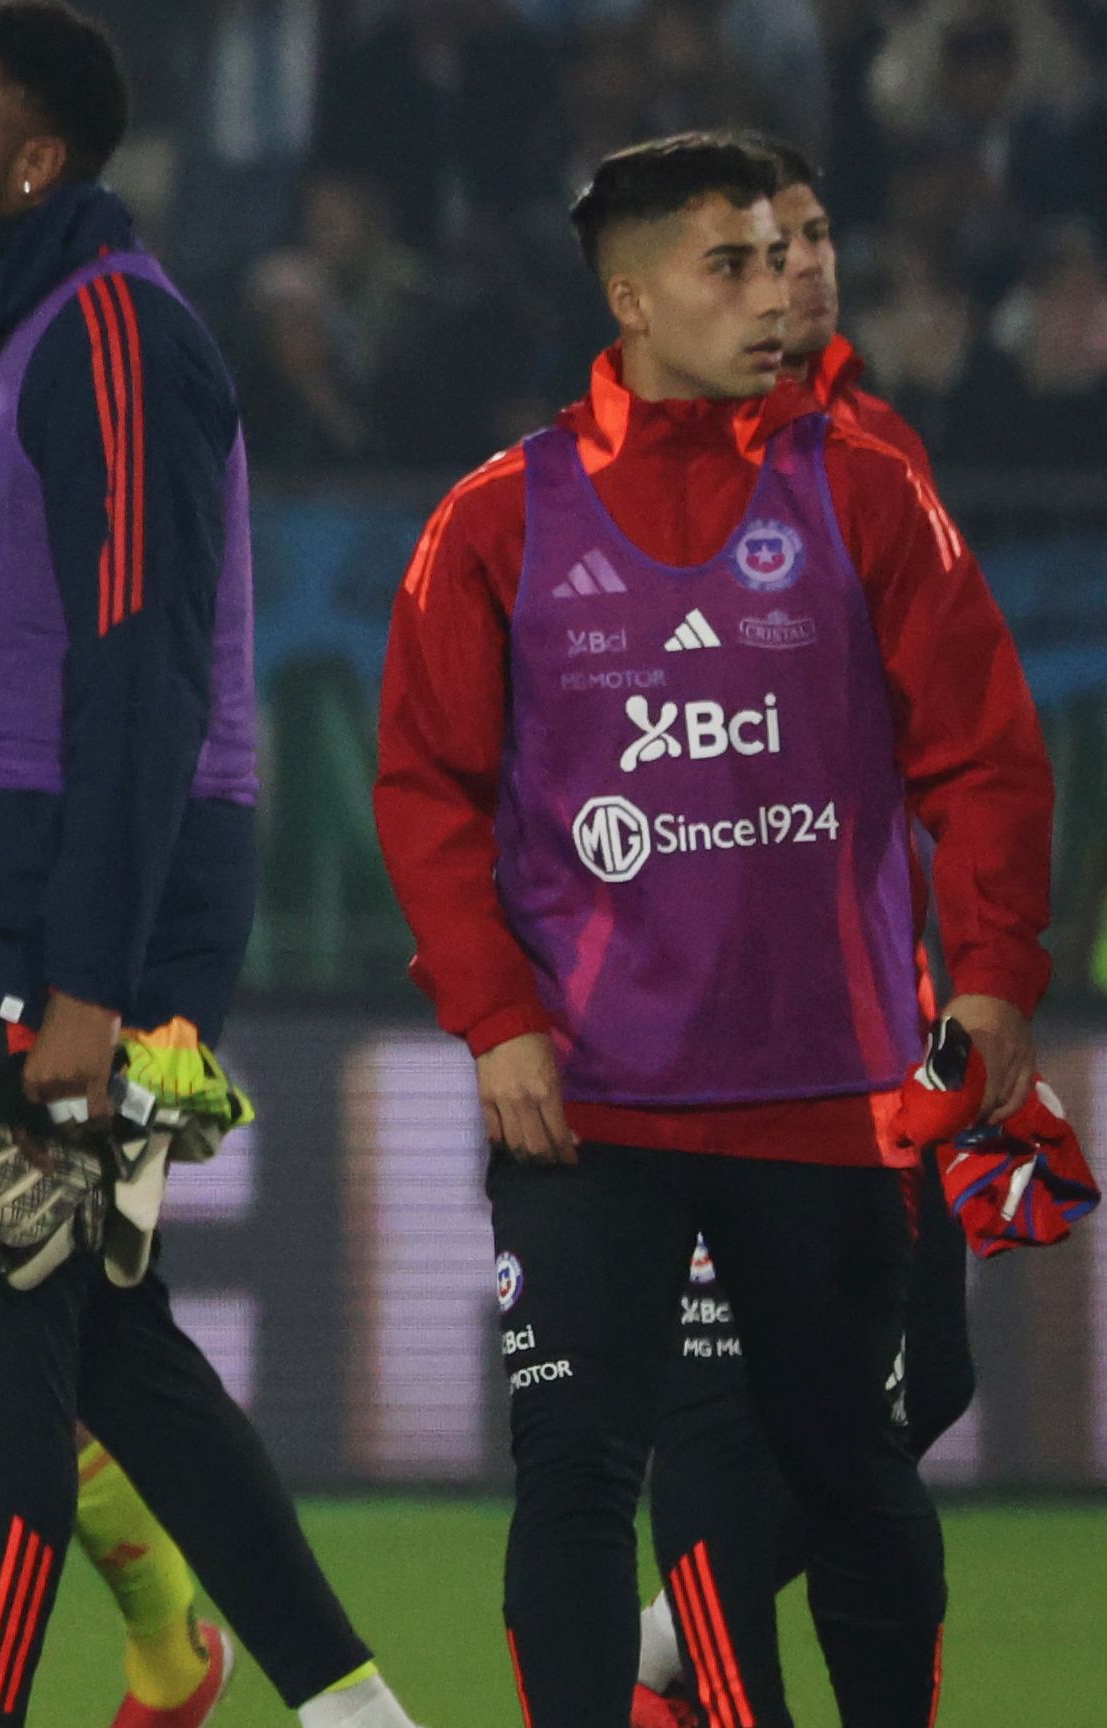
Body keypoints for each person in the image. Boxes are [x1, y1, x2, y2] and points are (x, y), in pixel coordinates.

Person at [374, 132, 1050, 1728]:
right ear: (631, 298)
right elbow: (425, 788)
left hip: (826, 1097)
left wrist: (997, 974)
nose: (776, 291)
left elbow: (985, 753)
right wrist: (495, 1016)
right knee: (573, 1475)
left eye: (782, 256)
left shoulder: (868, 488)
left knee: (852, 1471)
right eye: (729, 264)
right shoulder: (497, 519)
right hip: (587, 1104)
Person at [0, 7, 420, 1727]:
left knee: (11, 1365)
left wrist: (90, 982)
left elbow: (142, 674)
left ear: (33, 162)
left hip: (82, 919)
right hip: (14, 908)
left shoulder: (113, 336)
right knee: (114, 1344)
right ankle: (353, 1711)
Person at [625, 134, 981, 1728]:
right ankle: (687, 1673)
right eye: (769, 249)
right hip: (716, 1030)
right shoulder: (637, 473)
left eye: (820, 237)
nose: (806, 267)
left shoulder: (874, 456)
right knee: (727, 1405)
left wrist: (977, 975)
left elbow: (953, 734)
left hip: (884, 1010)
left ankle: (660, 1651)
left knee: (929, 1377)